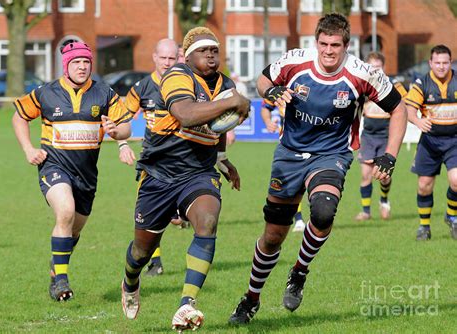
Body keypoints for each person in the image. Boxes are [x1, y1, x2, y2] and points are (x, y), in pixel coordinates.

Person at [228, 13, 407, 324]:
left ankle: (299, 271)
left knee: (323, 213)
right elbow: (262, 80)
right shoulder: (296, 60)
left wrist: (389, 155)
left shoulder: (361, 73)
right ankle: (250, 299)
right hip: (289, 154)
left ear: (346, 46)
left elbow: (399, 108)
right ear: (316, 42)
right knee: (273, 236)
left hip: (332, 155)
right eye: (323, 44)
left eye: (335, 45)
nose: (328, 51)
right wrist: (270, 92)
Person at [120, 27, 250, 331]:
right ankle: (130, 281)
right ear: (187, 56)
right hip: (159, 174)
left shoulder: (225, 84)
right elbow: (187, 114)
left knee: (207, 220)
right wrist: (233, 102)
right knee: (142, 250)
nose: (210, 56)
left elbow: (215, 128)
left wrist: (221, 158)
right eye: (203, 51)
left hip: (198, 173)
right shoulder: (177, 76)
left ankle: (186, 304)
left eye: (214, 51)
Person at [12, 39, 132, 301]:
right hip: (54, 165)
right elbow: (19, 115)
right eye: (76, 62)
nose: (82, 67)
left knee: (73, 229)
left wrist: (117, 133)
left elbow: (125, 127)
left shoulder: (104, 93)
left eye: (86, 62)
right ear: (66, 65)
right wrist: (28, 149)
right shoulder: (46, 92)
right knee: (64, 211)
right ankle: (61, 282)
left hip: (87, 174)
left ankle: (57, 268)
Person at [117, 38, 183, 276]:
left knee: (184, 213)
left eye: (171, 58)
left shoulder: (187, 84)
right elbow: (122, 119)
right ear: (154, 57)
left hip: (184, 160)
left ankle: (181, 213)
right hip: (153, 161)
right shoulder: (142, 88)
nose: (167, 62)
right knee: (148, 214)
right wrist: (123, 144)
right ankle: (155, 262)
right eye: (163, 57)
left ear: (178, 58)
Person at [405, 44, 457, 240]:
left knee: (456, 181)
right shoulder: (422, 84)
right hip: (430, 142)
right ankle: (424, 227)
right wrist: (418, 121)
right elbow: (409, 111)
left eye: (445, 62)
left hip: (454, 140)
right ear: (430, 63)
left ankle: (452, 216)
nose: (442, 66)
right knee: (424, 185)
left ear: (450, 62)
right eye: (437, 63)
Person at [355, 52, 408, 221]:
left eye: (378, 66)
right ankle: (366, 211)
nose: (375, 70)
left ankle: (384, 201)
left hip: (386, 136)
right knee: (365, 174)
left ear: (383, 67)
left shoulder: (394, 85)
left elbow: (405, 106)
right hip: (368, 136)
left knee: (385, 177)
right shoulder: (363, 86)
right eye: (372, 67)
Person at [260, 99, 306, 232]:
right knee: (293, 187)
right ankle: (298, 219)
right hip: (290, 148)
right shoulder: (281, 88)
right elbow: (265, 107)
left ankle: (316, 219)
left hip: (318, 148)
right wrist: (268, 122)